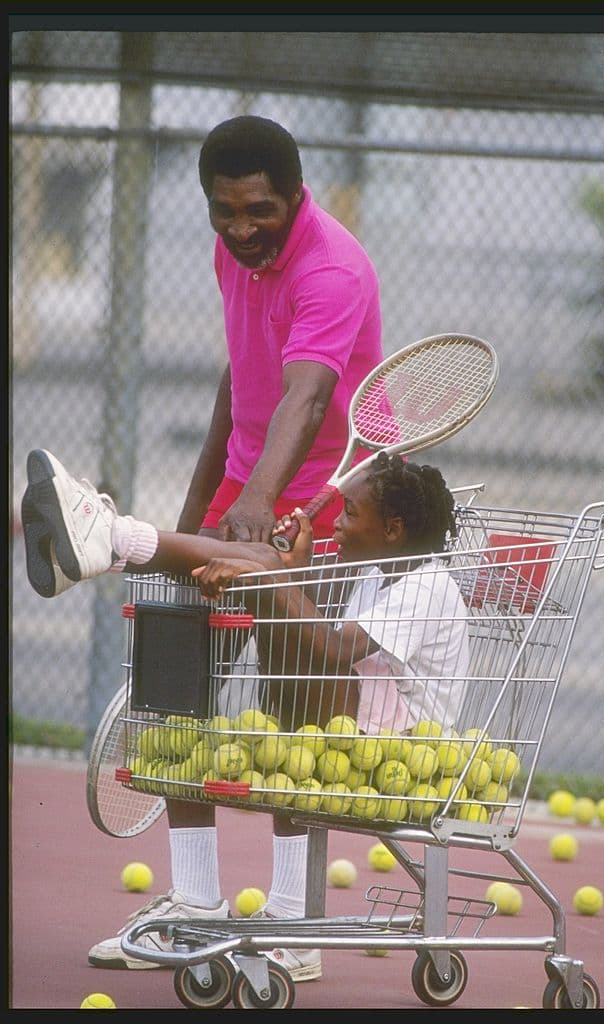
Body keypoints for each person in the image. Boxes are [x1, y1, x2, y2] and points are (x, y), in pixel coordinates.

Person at [22, 114, 385, 978]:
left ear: (295, 198)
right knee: (174, 688)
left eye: (258, 210)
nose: (241, 228)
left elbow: (303, 395)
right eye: (223, 212)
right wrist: (200, 510)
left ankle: (296, 932)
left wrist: (260, 501)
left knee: (300, 717)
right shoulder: (236, 250)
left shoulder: (329, 269)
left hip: (326, 501)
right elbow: (241, 373)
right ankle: (193, 905)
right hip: (243, 491)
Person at [22, 448, 470, 978]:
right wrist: (286, 571)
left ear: (393, 529)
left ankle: (113, 539)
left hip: (398, 748)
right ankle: (107, 543)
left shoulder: (426, 586)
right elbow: (318, 631)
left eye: (350, 512)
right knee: (264, 565)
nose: (339, 523)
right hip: (364, 727)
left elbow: (332, 648)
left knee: (263, 567)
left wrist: (272, 576)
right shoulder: (383, 571)